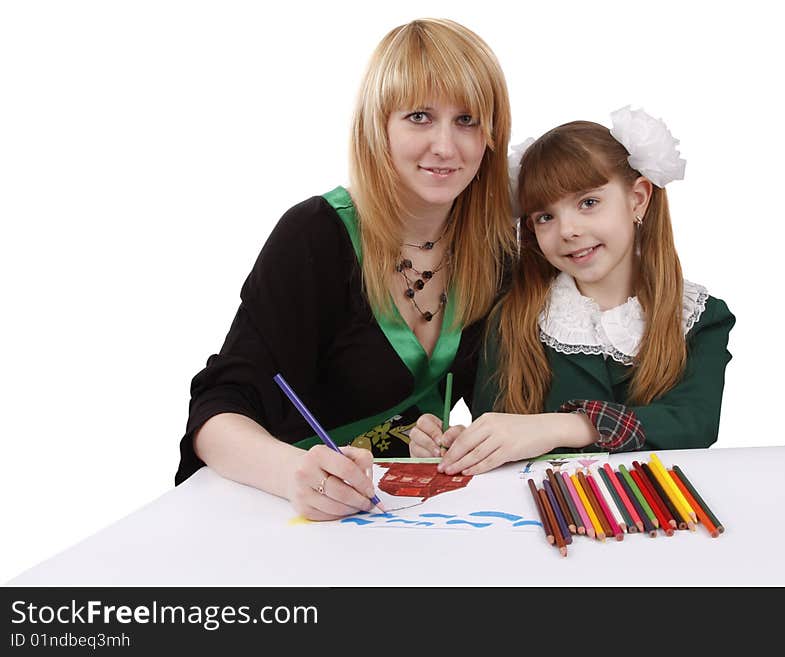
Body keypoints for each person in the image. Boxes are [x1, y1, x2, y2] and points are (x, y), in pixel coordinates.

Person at [175, 18, 516, 520]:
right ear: (379, 126)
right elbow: (214, 416)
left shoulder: (494, 250)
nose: (446, 146)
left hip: (404, 517)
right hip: (287, 516)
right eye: (419, 116)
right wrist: (295, 475)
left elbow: (503, 401)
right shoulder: (315, 234)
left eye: (467, 120)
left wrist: (447, 438)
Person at [410, 108, 735, 476]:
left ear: (638, 198)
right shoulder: (513, 320)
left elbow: (693, 424)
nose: (568, 230)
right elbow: (498, 435)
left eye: (588, 203)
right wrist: (454, 444)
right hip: (548, 519)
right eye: (545, 216)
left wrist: (564, 426)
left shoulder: (698, 316)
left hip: (661, 520)